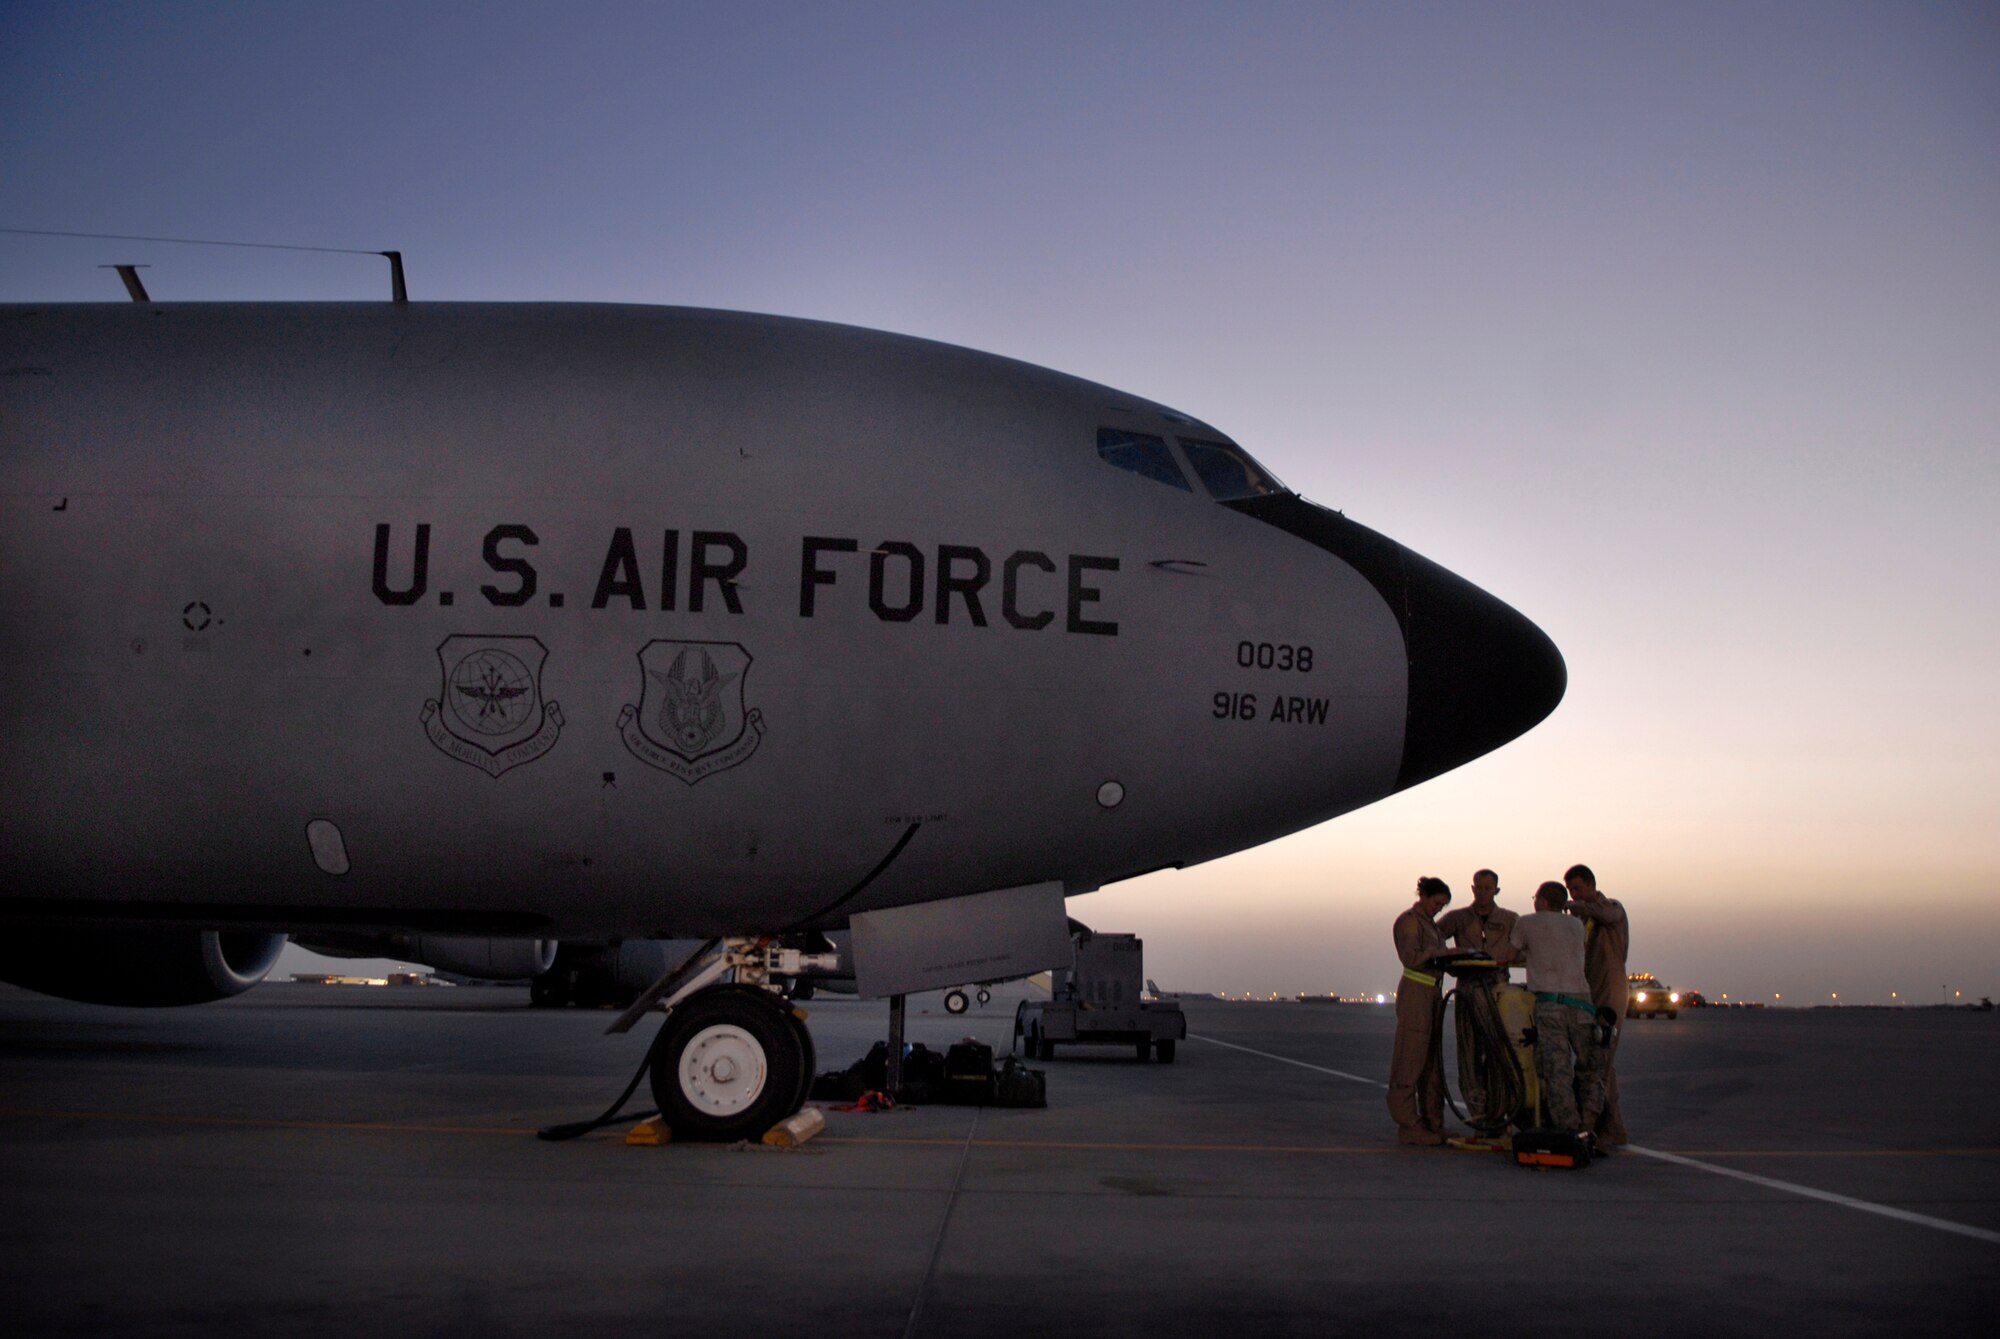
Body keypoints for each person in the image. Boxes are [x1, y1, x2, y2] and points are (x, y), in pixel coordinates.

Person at [1502, 881, 1603, 1136]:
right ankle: (1591, 1124)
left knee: (1557, 1070)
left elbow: (1508, 956)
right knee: (1589, 1067)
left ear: (1543, 902)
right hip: (1582, 1003)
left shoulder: (1527, 922)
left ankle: (1568, 1129)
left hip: (1550, 1005)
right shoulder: (1576, 924)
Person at [1436, 869, 1519, 1126]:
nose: (1483, 892)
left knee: (1499, 1052)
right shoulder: (1458, 918)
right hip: (1468, 988)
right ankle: (1479, 1116)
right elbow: (1433, 938)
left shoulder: (1510, 919)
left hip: (1498, 990)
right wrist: (1451, 956)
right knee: (1469, 1053)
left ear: (1496, 890)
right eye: (1479, 887)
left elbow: (1523, 947)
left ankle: (1499, 1113)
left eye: (1488, 888)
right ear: (1472, 889)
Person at [1564, 863, 1629, 1145]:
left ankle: (1601, 1129)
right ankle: (1611, 1128)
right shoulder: (1580, 920)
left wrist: (1577, 907)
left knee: (1602, 1060)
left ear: (1591, 886)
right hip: (1587, 991)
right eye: (1570, 891)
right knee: (1599, 1062)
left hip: (1609, 991)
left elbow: (1606, 914)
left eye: (1577, 889)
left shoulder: (1610, 908)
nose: (1574, 895)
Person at [1388, 876, 1455, 1145]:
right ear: (1424, 897)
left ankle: (1432, 1123)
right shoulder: (1409, 922)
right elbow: (1411, 957)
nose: (1438, 909)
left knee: (1432, 1062)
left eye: (1442, 906)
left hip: (1433, 993)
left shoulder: (1431, 926)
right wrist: (1440, 954)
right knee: (1410, 1058)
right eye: (1436, 903)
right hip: (1416, 992)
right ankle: (1408, 1125)